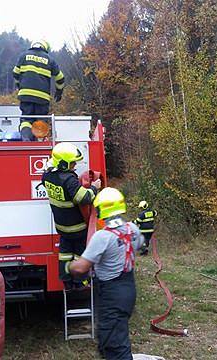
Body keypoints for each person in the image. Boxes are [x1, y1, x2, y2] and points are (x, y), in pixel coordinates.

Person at [68, 187, 144, 360]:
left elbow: (81, 267)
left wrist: (69, 266)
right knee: (108, 335)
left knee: (115, 343)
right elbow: (139, 245)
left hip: (112, 292)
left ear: (101, 209)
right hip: (128, 287)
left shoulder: (102, 237)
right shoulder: (133, 228)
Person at [42, 142, 101, 290]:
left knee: (65, 255)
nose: (74, 166)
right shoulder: (68, 180)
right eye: (72, 163)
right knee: (79, 254)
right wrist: (95, 187)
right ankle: (80, 282)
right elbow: (84, 198)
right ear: (63, 164)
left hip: (62, 227)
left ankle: (67, 281)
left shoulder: (47, 176)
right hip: (77, 227)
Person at [12, 39, 65, 141]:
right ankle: (39, 142)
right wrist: (59, 92)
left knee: (26, 120)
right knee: (40, 120)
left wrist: (20, 86)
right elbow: (60, 78)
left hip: (26, 96)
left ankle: (26, 139)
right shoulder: (50, 60)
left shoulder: (23, 56)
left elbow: (15, 73)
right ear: (45, 48)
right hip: (42, 98)